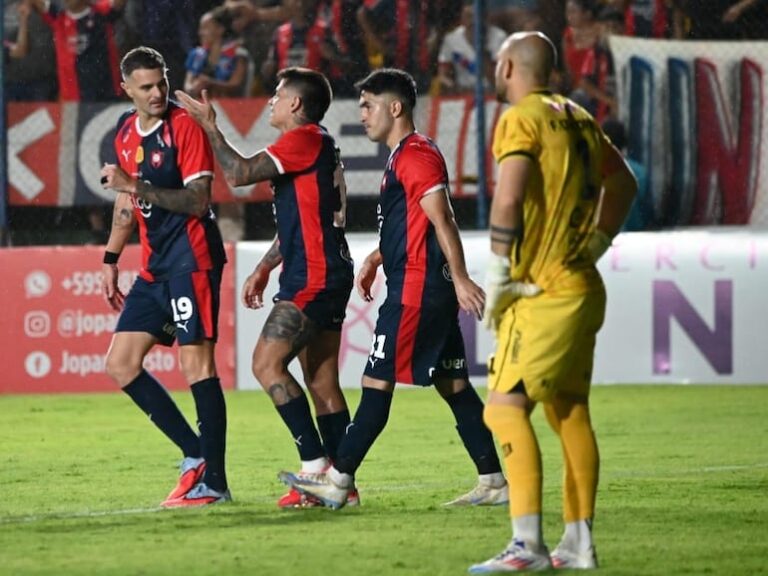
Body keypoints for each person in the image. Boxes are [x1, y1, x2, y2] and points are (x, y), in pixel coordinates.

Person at [280, 68, 516, 510]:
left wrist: (462, 276)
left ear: (395, 108)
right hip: (421, 285)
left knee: (376, 382)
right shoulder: (404, 155)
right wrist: (375, 258)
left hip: (417, 291)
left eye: (368, 105)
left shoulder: (416, 155)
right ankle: (493, 480)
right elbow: (414, 223)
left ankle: (338, 480)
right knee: (454, 385)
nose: (363, 114)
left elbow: (442, 217)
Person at [469, 32, 636, 572]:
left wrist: (496, 271)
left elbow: (510, 193)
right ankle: (578, 544)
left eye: (497, 64)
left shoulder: (521, 117)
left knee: (503, 409)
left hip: (540, 292)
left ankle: (526, 547)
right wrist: (595, 243)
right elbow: (624, 184)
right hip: (582, 284)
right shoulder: (582, 117)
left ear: (510, 65)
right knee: (570, 412)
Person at [175, 67, 359, 509]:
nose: (270, 102)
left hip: (313, 275)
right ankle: (342, 487)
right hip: (326, 268)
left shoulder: (301, 139)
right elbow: (304, 219)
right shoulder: (320, 144)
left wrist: (210, 128)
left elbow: (237, 174)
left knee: (265, 364)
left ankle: (314, 467)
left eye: (277, 95)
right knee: (322, 381)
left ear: (295, 104)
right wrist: (264, 266)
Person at [99, 46, 230, 508]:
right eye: (147, 87)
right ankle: (194, 455)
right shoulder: (125, 133)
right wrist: (111, 257)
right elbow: (127, 202)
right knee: (121, 363)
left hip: (193, 260)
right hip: (156, 267)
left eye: (162, 83)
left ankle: (214, 481)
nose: (158, 93)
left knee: (198, 367)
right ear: (127, 89)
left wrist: (132, 186)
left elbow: (198, 201)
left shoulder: (184, 127)